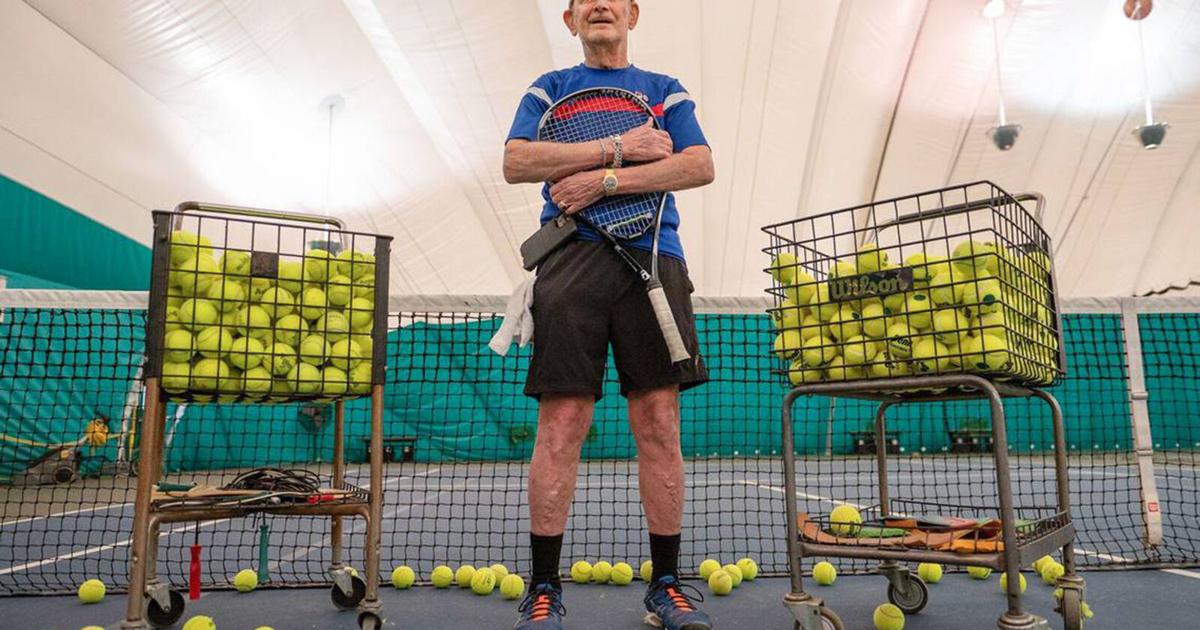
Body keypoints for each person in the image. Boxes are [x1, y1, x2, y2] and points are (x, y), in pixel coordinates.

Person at [502, 0, 715, 628]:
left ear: (632, 14)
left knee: (659, 422)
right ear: (570, 20)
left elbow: (698, 164)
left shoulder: (664, 90)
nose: (600, 4)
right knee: (562, 423)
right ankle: (544, 588)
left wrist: (604, 180)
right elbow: (517, 162)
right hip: (570, 260)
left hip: (655, 258)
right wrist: (622, 148)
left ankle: (666, 584)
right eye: (585, 0)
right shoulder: (549, 89)